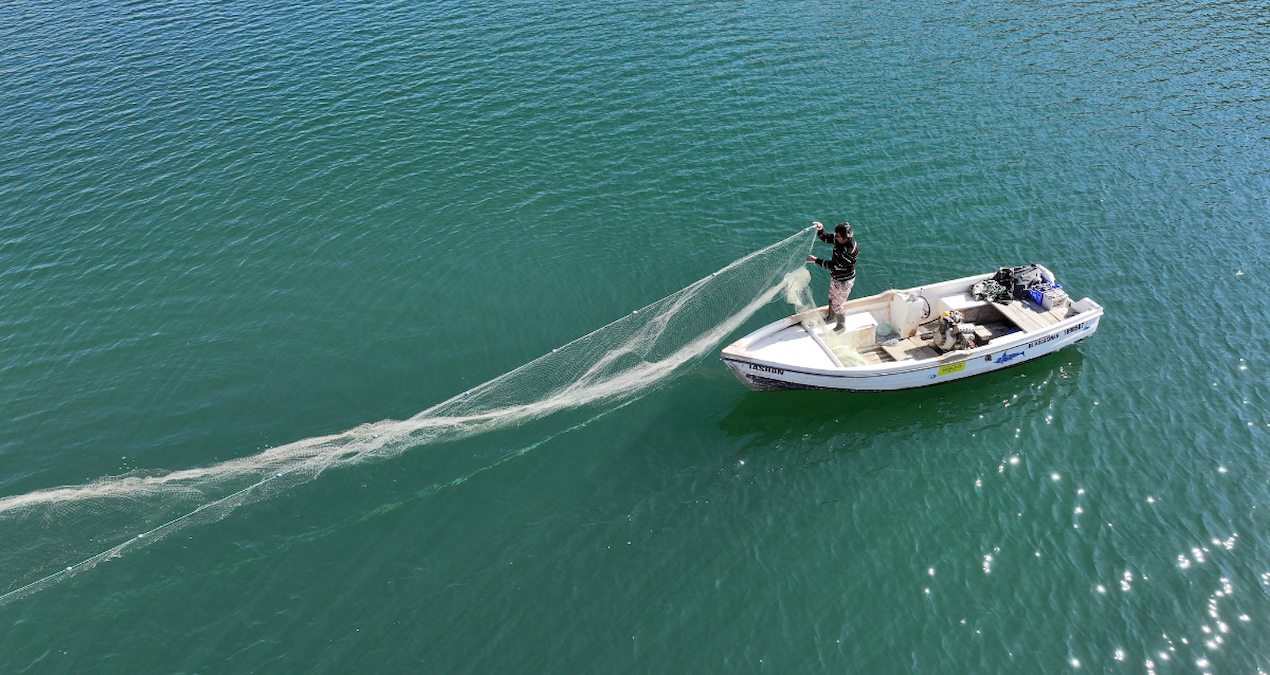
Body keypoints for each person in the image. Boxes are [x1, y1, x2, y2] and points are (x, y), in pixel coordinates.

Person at [806, 221, 860, 331]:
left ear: (845, 238)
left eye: (838, 236)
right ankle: (831, 318)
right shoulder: (839, 239)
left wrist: (816, 260)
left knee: (838, 305)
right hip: (836, 277)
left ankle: (841, 326)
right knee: (831, 297)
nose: (836, 237)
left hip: (845, 281)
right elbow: (826, 238)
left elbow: (834, 266)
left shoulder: (849, 251)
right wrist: (821, 229)